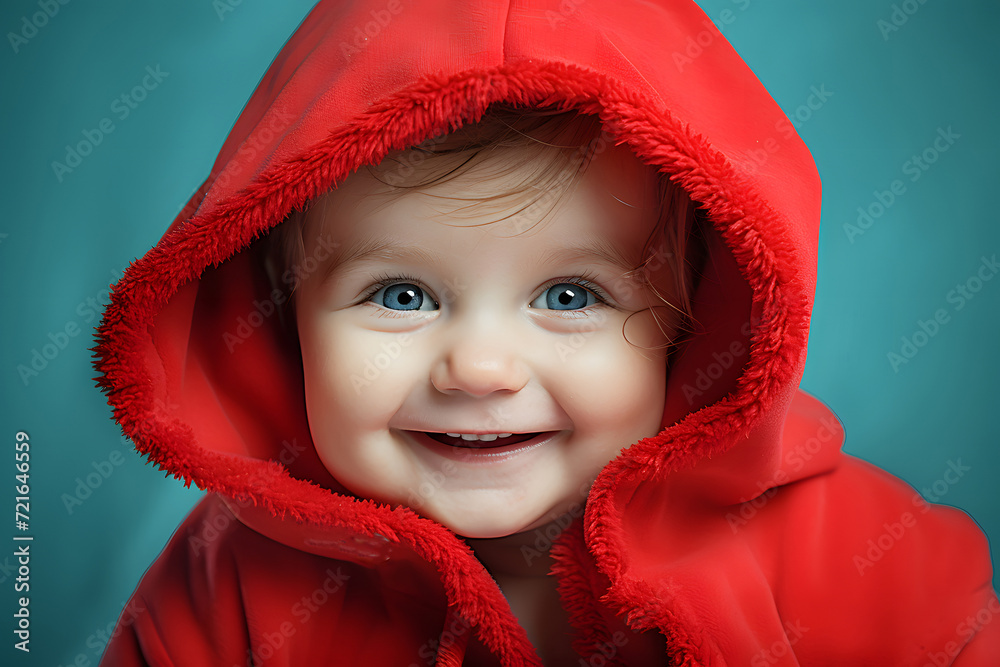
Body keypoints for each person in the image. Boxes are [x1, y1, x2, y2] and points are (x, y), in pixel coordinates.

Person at [94, 1, 999, 665]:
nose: (481, 368)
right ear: (279, 321)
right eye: (401, 295)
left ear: (690, 327)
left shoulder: (860, 556)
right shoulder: (227, 590)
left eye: (570, 296)